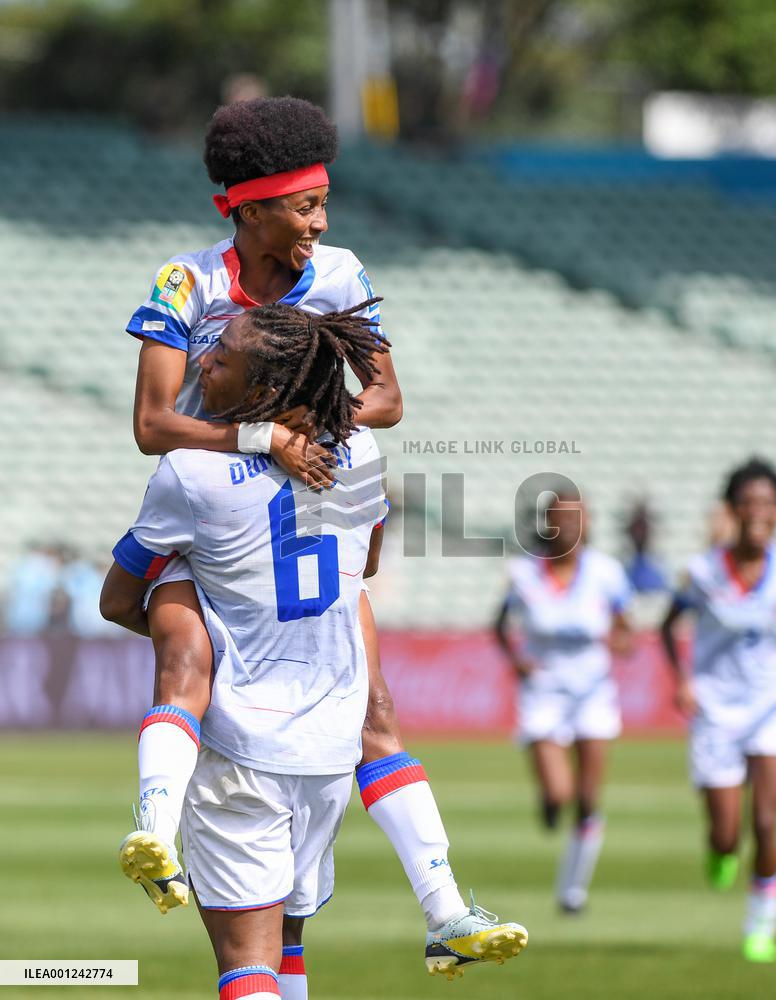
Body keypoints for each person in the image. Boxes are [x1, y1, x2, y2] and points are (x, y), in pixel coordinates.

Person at [121, 95, 521, 974]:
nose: (321, 222)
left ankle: (445, 908)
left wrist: (312, 424)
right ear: (250, 206)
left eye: (324, 202)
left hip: (296, 511)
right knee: (189, 663)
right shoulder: (185, 284)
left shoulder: (337, 271)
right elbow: (153, 423)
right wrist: (265, 437)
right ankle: (155, 827)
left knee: (373, 708)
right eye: (304, 205)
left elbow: (386, 398)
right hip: (206, 521)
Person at [660, 458, 776, 964]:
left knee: (769, 822)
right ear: (733, 509)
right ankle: (720, 849)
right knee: (727, 832)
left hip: (774, 710)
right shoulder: (703, 570)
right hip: (716, 713)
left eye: (769, 503)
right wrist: (683, 680)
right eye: (749, 502)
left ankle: (761, 931)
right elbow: (671, 625)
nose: (759, 511)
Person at [494, 492, 633, 914]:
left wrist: (620, 641)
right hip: (545, 692)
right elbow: (499, 624)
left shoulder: (607, 573)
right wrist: (517, 661)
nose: (571, 527)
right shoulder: (524, 572)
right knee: (560, 793)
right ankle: (550, 802)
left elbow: (626, 626)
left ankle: (573, 890)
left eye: (579, 519)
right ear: (548, 524)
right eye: (563, 519)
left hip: (593, 694)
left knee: (588, 799)